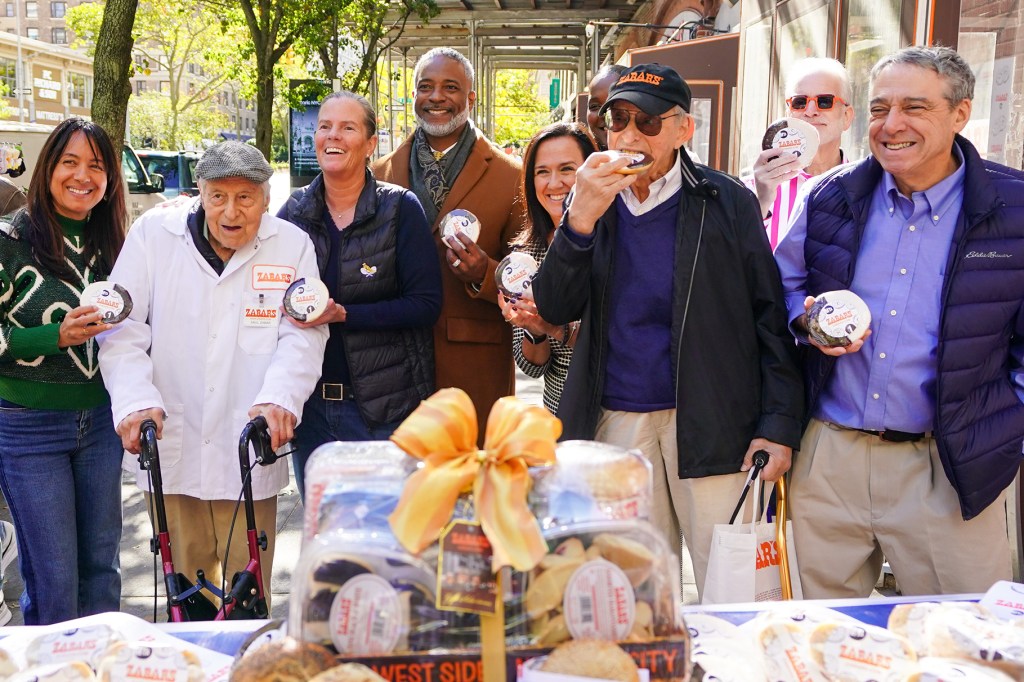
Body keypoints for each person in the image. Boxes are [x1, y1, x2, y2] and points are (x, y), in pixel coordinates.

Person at [531, 63, 804, 599]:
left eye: (648, 123)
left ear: (684, 130)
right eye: (619, 120)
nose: (630, 135)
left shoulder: (725, 201)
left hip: (712, 422)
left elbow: (768, 315)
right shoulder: (591, 199)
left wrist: (778, 423)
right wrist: (580, 218)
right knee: (634, 590)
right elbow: (555, 305)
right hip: (617, 421)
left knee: (735, 586)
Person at [774, 45, 1024, 598]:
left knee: (960, 643)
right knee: (813, 635)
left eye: (916, 108)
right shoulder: (830, 196)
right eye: (880, 108)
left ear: (960, 114)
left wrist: (1006, 433)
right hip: (830, 456)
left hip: (951, 465)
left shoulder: (1014, 208)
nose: (892, 126)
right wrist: (806, 318)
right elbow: (782, 287)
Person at [98, 141, 328, 602]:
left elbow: (302, 334)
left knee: (247, 593)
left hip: (248, 441)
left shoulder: (290, 244)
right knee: (186, 592)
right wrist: (135, 400)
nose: (230, 211)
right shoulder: (154, 235)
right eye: (218, 196)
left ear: (266, 198)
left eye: (245, 197)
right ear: (199, 193)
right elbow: (121, 328)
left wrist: (281, 399)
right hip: (172, 441)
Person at [278, 91, 442, 498]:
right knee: (325, 539)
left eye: (348, 127)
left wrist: (345, 314)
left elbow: (425, 304)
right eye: (324, 126)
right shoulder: (292, 212)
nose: (332, 135)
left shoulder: (399, 209)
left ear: (371, 144)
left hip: (382, 410)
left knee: (382, 539)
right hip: (311, 410)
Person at [0, 118, 127, 624]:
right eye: (69, 162)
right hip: (27, 425)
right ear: (48, 168)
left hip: (101, 423)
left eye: (95, 166)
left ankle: (104, 667)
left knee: (102, 570)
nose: (82, 176)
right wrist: (52, 336)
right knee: (53, 578)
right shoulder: (9, 238)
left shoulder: (120, 243)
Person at [373, 48, 524, 438]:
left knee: (473, 484)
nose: (436, 97)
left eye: (450, 87)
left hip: (474, 364)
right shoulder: (379, 174)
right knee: (407, 486)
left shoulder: (512, 178)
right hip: (393, 365)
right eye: (426, 87)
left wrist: (484, 274)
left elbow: (526, 273)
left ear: (470, 99)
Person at [498, 123, 597, 414]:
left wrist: (555, 327)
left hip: (611, 409)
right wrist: (533, 328)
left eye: (567, 169)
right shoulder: (526, 254)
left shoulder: (617, 240)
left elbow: (615, 340)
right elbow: (532, 366)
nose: (554, 184)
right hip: (559, 413)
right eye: (542, 172)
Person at [746, 57, 854, 250]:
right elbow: (732, 257)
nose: (810, 111)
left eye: (825, 101)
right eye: (799, 102)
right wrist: (760, 202)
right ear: (789, 114)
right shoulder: (754, 187)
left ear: (847, 116)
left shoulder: (866, 187)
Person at [585, 64, 628, 151]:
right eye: (595, 106)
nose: (603, 114)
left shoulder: (650, 160)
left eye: (614, 105)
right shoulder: (577, 161)